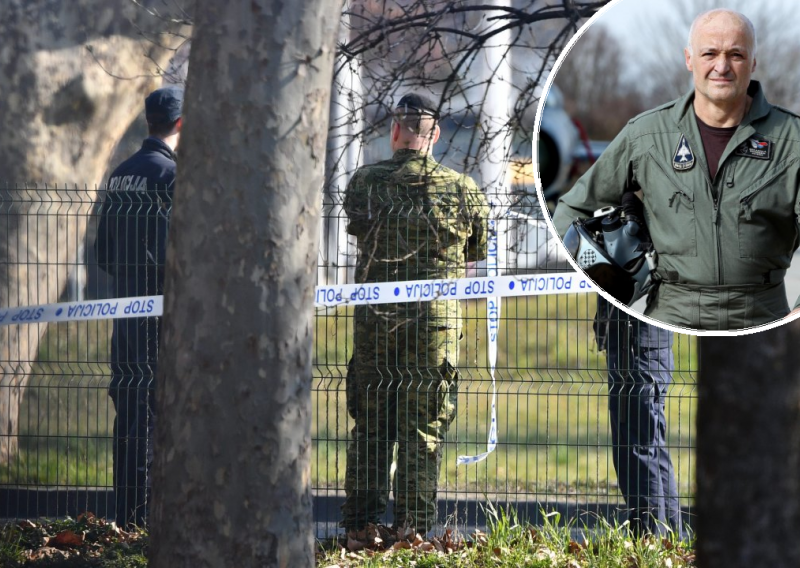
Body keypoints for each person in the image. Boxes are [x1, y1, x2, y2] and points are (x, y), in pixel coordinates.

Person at [552, 9, 800, 330]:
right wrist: (597, 286)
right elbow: (571, 209)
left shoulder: (791, 140)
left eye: (735, 55)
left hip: (763, 317)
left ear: (752, 63)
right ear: (689, 59)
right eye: (709, 53)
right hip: (669, 315)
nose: (721, 66)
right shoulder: (646, 135)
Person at [340, 93, 490, 537]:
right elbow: (476, 252)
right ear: (436, 134)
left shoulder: (365, 182)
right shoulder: (463, 190)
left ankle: (359, 525)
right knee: (423, 428)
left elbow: (356, 227)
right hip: (434, 327)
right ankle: (414, 529)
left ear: (394, 131)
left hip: (376, 322)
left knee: (371, 425)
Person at [94, 85, 183, 528]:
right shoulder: (172, 176)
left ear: (148, 120)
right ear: (181, 124)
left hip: (124, 310)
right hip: (159, 313)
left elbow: (104, 255)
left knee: (128, 409)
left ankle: (125, 515)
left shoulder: (122, 172)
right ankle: (147, 521)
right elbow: (173, 254)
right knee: (155, 410)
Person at [596, 299, 684, 539]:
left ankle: (648, 542)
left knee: (637, 451)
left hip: (636, 345)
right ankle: (669, 542)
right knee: (649, 447)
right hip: (638, 342)